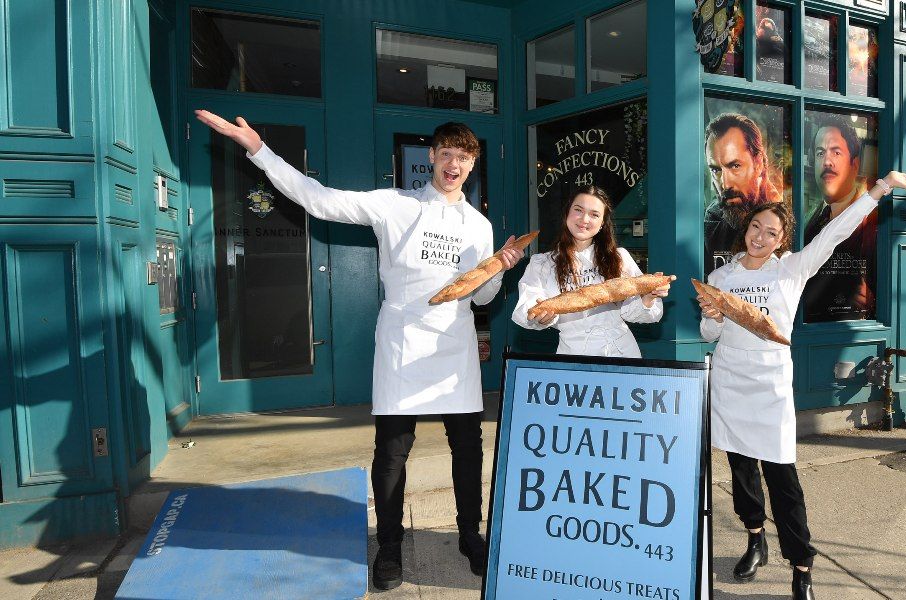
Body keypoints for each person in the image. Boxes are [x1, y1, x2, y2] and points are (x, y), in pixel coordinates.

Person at [194, 110, 524, 592]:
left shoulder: (478, 225)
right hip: (402, 340)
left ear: (473, 166)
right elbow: (319, 200)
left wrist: (500, 268)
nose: (454, 165)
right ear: (432, 157)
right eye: (447, 154)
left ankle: (470, 535)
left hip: (454, 345)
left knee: (468, 448)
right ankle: (389, 546)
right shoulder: (394, 204)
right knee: (392, 451)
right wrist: (259, 150)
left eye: (464, 158)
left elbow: (481, 297)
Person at [698, 171, 906, 600]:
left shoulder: (792, 269)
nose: (760, 237)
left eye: (771, 232)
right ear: (746, 228)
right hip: (730, 381)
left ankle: (801, 566)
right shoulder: (721, 278)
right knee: (741, 470)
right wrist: (712, 319)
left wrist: (881, 187)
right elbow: (710, 334)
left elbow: (836, 232)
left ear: (781, 239)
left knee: (782, 477)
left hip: (769, 387)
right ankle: (755, 538)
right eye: (755, 227)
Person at [513, 185, 670, 357]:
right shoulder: (542, 264)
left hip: (622, 354)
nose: (585, 219)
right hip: (573, 356)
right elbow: (527, 309)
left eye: (594, 214)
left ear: (602, 223)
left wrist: (648, 296)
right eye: (578, 210)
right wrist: (540, 318)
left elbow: (639, 314)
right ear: (567, 213)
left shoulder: (619, 257)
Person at [802, 117, 878, 321]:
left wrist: (874, 300)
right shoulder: (807, 221)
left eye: (836, 152)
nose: (827, 162)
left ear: (855, 164)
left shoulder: (874, 221)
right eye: (820, 153)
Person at [704, 113, 785, 273]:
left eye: (735, 166)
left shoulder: (784, 218)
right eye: (715, 170)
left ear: (758, 163)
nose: (725, 184)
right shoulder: (713, 220)